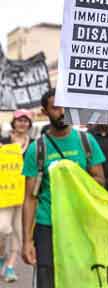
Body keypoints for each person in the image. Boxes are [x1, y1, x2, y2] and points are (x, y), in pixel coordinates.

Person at [21, 88, 106, 288]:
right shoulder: (37, 149)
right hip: (47, 225)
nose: (61, 112)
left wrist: (74, 178)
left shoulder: (86, 141)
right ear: (45, 111)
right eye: (56, 108)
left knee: (81, 276)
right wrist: (27, 241)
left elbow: (100, 180)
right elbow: (30, 198)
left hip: (80, 223)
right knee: (47, 279)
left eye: (65, 107)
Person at [0, 109, 33, 282]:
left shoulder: (34, 144)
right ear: (13, 122)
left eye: (26, 120)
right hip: (5, 193)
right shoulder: (3, 142)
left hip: (25, 195)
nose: (22, 123)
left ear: (29, 124)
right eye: (19, 120)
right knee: (3, 228)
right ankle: (1, 256)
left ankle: (10, 267)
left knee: (19, 233)